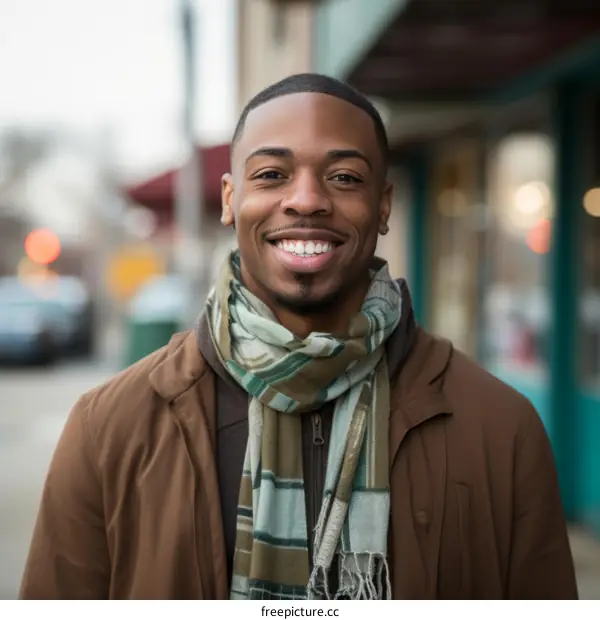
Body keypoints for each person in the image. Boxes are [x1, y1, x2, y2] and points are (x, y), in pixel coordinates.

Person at [20, 73, 578, 600]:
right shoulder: (109, 428)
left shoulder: (500, 429)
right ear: (229, 199)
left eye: (343, 177)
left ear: (382, 205)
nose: (307, 199)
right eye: (271, 175)